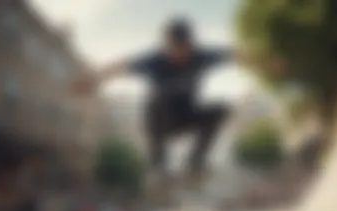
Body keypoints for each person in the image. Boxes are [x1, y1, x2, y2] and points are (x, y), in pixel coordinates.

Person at [71, 18, 285, 190]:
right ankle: (158, 165)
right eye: (175, 50)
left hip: (187, 118)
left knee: (221, 108)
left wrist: (266, 62)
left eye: (184, 50)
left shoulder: (201, 56)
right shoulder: (153, 60)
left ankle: (195, 163)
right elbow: (118, 67)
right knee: (157, 100)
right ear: (166, 47)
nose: (180, 55)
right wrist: (90, 81)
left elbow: (236, 54)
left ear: (191, 45)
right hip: (161, 121)